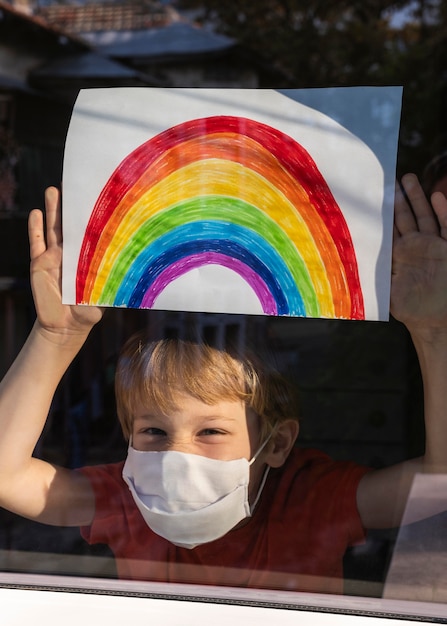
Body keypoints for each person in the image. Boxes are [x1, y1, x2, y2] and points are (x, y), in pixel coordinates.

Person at [1, 173, 447, 594]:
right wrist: (55, 336)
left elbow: (440, 480)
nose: (176, 455)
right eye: (154, 431)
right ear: (128, 438)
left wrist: (434, 332)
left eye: (210, 431)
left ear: (277, 442)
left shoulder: (312, 499)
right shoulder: (124, 498)